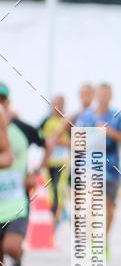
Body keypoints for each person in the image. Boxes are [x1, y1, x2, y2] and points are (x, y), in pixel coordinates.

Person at [0, 84, 49, 266]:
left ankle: (18, 260)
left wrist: (36, 171)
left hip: (15, 200)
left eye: (2, 99)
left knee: (9, 247)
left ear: (8, 102)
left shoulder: (21, 128)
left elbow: (46, 143)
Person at [77, 83, 121, 254]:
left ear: (110, 96)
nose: (103, 97)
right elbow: (77, 141)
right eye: (100, 94)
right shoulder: (86, 116)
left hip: (111, 170)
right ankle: (91, 242)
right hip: (90, 168)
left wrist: (111, 133)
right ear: (96, 96)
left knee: (109, 207)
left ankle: (103, 240)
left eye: (106, 94)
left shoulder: (117, 116)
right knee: (91, 205)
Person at [40, 95, 71, 228]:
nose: (57, 107)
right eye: (55, 104)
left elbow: (76, 142)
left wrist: (59, 142)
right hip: (49, 162)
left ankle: (58, 215)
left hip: (62, 162)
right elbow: (40, 139)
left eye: (60, 104)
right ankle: (55, 214)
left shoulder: (67, 122)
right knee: (50, 190)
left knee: (60, 187)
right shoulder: (46, 121)